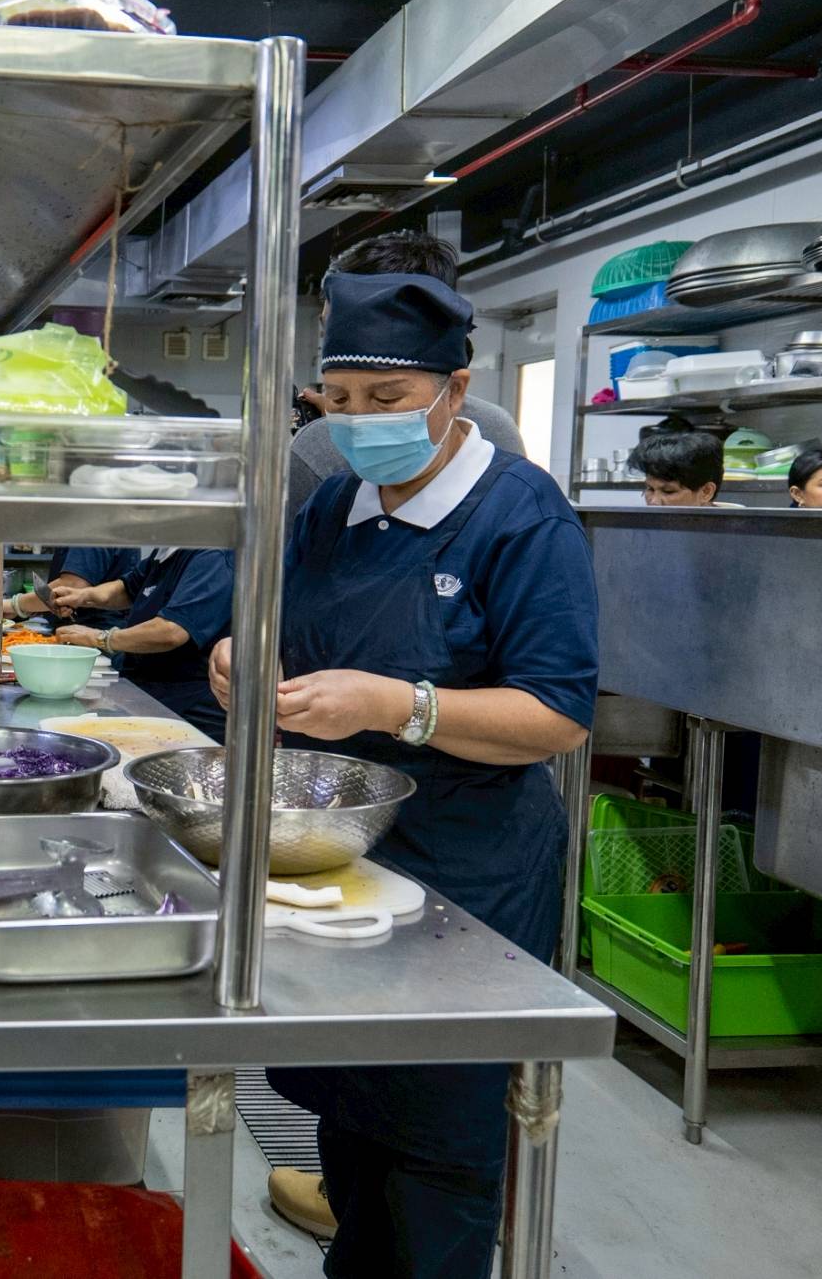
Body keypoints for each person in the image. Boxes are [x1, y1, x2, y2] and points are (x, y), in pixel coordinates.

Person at [209, 272, 597, 1279]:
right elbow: (283, 634)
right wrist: (239, 662)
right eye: (336, 401)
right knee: (348, 1110)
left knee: (440, 1137)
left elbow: (552, 718)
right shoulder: (334, 503)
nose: (356, 423)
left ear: (452, 392)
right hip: (344, 852)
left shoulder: (519, 516)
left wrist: (398, 706)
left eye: (385, 401)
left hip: (468, 867)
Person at [290, 233, 527, 525]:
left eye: (386, 398)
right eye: (340, 396)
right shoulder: (319, 454)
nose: (339, 342)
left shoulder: (496, 440)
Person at [49, 547, 236, 739]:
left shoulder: (212, 557)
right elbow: (127, 589)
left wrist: (101, 638)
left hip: (188, 705)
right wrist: (84, 596)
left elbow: (171, 631)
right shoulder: (165, 552)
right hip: (149, 690)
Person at [1, 546, 137, 630]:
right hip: (83, 628)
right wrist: (27, 608)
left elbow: (71, 586)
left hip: (92, 634)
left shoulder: (91, 523)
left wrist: (13, 604)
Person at [629, 430, 729, 506]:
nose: (654, 501)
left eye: (668, 491)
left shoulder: (735, 531)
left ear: (706, 492)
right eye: (650, 489)